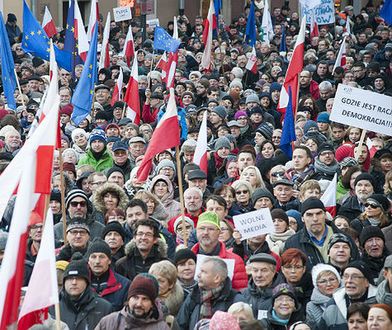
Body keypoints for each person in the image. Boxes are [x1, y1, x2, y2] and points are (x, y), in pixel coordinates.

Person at [284, 197, 359, 269]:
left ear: (325, 215)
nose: (315, 219)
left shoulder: (345, 239)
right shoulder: (293, 243)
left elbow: (356, 268)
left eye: (319, 213)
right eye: (309, 215)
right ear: (302, 218)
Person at [176, 257, 244, 329]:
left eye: (203, 272)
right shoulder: (194, 295)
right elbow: (180, 325)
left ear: (217, 278)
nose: (198, 275)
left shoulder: (235, 300)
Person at [191, 211, 248, 290]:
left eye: (211, 229)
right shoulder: (189, 259)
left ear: (219, 232)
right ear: (196, 231)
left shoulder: (235, 260)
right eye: (202, 228)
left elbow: (241, 292)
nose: (205, 232)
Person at [54, 253, 112, 329]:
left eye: (78, 279)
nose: (74, 282)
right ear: (64, 282)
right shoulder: (53, 307)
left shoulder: (104, 307)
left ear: (86, 282)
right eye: (70, 278)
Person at [95, 273, 170, 329]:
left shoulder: (162, 328)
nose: (139, 304)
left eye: (145, 299)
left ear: (152, 304)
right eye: (135, 297)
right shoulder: (108, 322)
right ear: (128, 299)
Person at [318, 261, 377, 329]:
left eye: (355, 277)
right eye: (346, 276)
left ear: (366, 282)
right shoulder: (333, 305)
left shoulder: (379, 302)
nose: (349, 281)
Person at [87, 238, 130, 311]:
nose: (97, 261)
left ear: (109, 260)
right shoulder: (81, 284)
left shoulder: (124, 285)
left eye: (102, 257)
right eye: (93, 257)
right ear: (88, 261)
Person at [242, 253, 284, 318]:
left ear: (274, 272)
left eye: (264, 271)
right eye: (255, 270)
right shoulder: (243, 295)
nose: (259, 275)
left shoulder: (284, 296)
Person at [306, 264, 341, 328]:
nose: (329, 284)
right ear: (316, 285)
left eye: (332, 279)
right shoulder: (311, 306)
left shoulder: (348, 297)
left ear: (338, 281)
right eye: (323, 281)